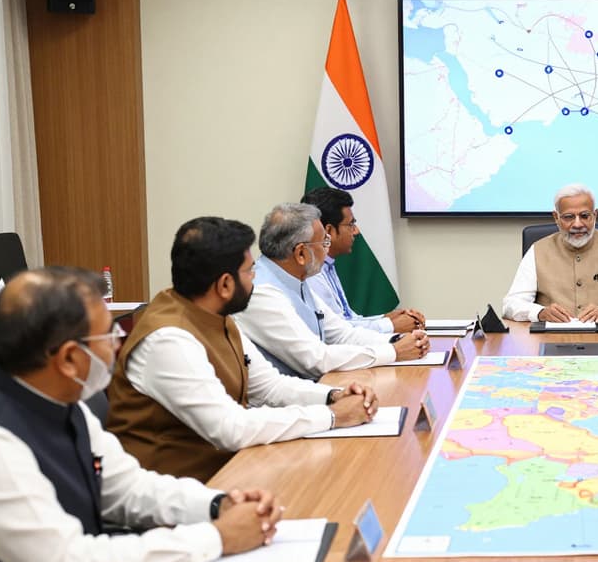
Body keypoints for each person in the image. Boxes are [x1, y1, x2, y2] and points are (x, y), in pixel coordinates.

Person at [0, 267, 283, 562]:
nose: (120, 343)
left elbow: (127, 488)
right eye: (108, 334)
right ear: (69, 360)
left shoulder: (60, 397)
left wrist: (218, 504)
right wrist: (218, 537)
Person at [106, 217, 378, 481]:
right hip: (180, 492)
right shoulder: (168, 339)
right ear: (224, 284)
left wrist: (334, 395)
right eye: (250, 271)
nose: (255, 279)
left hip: (230, 471)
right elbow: (231, 428)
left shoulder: (216, 315)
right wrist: (331, 416)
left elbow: (270, 388)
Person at [234, 203, 428, 379]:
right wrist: (394, 351)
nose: (327, 251)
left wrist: (399, 340)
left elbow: (342, 335)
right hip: (286, 404)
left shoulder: (298, 280)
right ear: (301, 253)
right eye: (324, 243)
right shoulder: (260, 293)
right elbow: (315, 360)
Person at [502, 184, 598, 322]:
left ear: (595, 215)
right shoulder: (537, 250)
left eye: (585, 216)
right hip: (550, 339)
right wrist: (539, 313)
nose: (578, 224)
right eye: (569, 217)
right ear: (556, 218)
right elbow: (511, 304)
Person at [300, 187, 426, 333]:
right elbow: (335, 332)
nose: (356, 231)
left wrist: (387, 318)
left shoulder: (327, 265)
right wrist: (391, 326)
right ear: (328, 231)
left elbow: (348, 318)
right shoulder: (312, 273)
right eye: (350, 224)